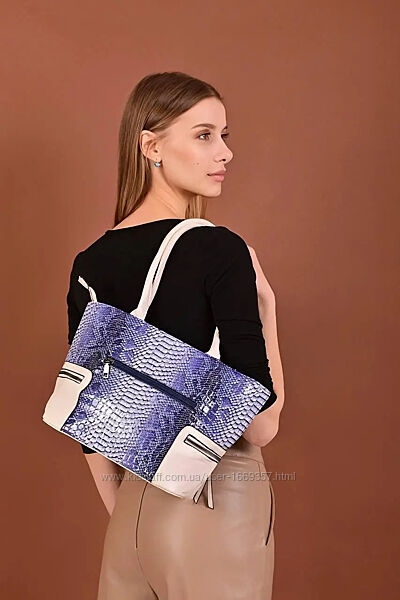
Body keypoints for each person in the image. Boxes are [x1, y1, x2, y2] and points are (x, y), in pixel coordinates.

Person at [66, 71, 284, 600]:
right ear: (152, 146)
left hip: (129, 522)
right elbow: (260, 427)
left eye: (224, 136)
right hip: (215, 507)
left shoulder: (90, 263)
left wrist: (135, 519)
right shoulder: (219, 249)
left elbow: (88, 422)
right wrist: (267, 308)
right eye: (204, 135)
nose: (225, 152)